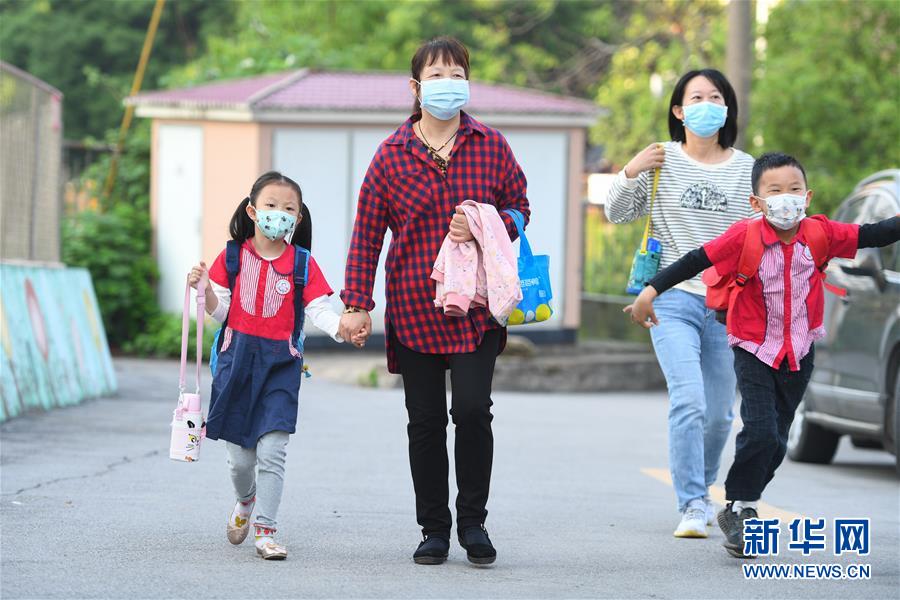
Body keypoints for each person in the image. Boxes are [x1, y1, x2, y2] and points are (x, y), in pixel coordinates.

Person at [625, 152, 900, 558]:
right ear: (756, 201)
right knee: (761, 431)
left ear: (807, 196)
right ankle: (739, 507)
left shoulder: (821, 234)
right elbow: (696, 259)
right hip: (753, 347)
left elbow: (874, 234)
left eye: (794, 189)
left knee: (777, 442)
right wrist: (650, 291)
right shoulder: (745, 235)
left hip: (799, 350)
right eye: (775, 190)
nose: (785, 198)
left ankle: (743, 500)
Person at [338, 36, 530, 566]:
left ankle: (473, 524)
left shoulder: (491, 145)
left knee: (472, 411)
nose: (449, 84)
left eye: (457, 74)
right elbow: (367, 235)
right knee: (424, 422)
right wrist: (356, 302)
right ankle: (434, 529)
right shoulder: (390, 155)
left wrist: (490, 222)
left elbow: (521, 207)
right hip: (413, 307)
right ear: (416, 87)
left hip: (476, 310)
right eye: (437, 75)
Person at [605, 69, 755, 538]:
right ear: (678, 110)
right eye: (696, 97)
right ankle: (692, 502)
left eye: (716, 97)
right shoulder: (661, 159)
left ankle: (703, 487)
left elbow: (760, 236)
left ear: (727, 109)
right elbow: (616, 213)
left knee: (720, 414)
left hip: (727, 306)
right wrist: (631, 171)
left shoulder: (747, 168)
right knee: (688, 400)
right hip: (670, 300)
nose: (706, 105)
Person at [188, 171, 363, 560]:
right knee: (239, 461)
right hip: (235, 364)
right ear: (252, 211)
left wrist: (343, 329)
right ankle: (245, 500)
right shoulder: (232, 257)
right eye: (270, 205)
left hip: (281, 368)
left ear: (297, 218)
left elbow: (319, 310)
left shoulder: (302, 263)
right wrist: (204, 291)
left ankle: (266, 530)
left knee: (272, 451)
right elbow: (222, 313)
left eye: (288, 209)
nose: (278, 214)